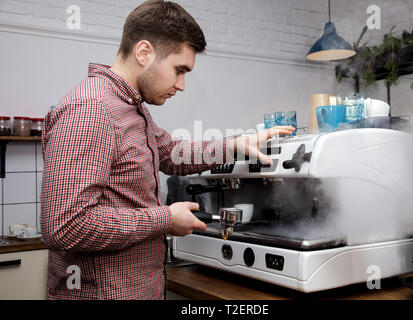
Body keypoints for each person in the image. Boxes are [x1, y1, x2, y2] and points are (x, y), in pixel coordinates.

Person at [40, 0, 294, 300]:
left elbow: (171, 153)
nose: (182, 84)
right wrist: (165, 219)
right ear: (144, 52)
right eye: (179, 70)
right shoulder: (91, 110)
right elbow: (66, 225)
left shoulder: (131, 107)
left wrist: (234, 146)